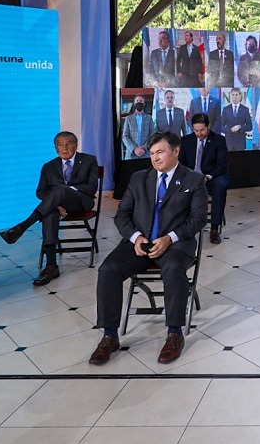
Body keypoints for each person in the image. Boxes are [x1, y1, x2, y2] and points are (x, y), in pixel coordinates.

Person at [89, 131, 208, 366]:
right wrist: (135, 237)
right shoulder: (139, 178)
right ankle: (110, 336)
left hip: (175, 244)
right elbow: (121, 215)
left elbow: (198, 219)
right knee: (108, 270)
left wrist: (169, 238)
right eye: (152, 153)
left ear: (176, 151)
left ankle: (174, 333)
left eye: (160, 152)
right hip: (140, 243)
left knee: (173, 270)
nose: (155, 158)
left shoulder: (193, 180)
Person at [0, 132, 99, 286]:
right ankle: (51, 266)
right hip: (57, 206)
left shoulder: (89, 160)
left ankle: (22, 227)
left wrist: (66, 191)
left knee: (59, 190)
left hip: (80, 202)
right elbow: (40, 192)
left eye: (68, 144)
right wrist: (56, 204)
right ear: (55, 147)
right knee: (50, 213)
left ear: (76, 145)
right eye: (60, 145)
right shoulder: (48, 166)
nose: (64, 148)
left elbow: (92, 188)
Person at [179, 114, 229, 244]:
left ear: (209, 126)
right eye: (196, 130)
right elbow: (181, 165)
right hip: (191, 179)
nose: (199, 133)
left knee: (221, 185)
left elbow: (222, 166)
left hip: (211, 178)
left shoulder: (219, 140)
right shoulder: (186, 141)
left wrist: (208, 176)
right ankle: (180, 227)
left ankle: (214, 229)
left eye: (202, 130)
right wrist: (190, 177)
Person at [121, 95, 156, 159]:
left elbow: (152, 134)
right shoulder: (128, 119)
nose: (139, 102)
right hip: (131, 155)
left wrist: (144, 148)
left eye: (141, 101)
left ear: (144, 103)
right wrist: (134, 149)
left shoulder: (149, 118)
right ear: (134, 103)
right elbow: (125, 136)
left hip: (146, 153)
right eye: (137, 101)